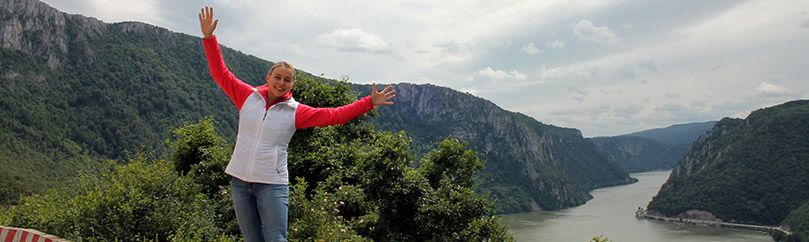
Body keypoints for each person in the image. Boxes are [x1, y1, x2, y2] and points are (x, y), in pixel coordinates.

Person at [198, 6, 395, 242]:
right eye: (278, 77)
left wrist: (368, 102)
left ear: (292, 85)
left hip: (272, 184)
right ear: (268, 78)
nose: (281, 83)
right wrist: (209, 38)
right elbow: (221, 73)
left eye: (287, 80)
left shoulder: (295, 112)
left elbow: (334, 115)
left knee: (276, 239)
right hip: (240, 181)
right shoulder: (247, 96)